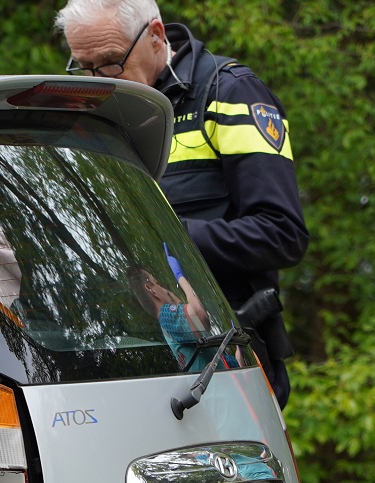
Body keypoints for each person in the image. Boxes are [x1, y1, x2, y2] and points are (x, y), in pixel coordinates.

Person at [55, 0, 307, 405]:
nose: (97, 80)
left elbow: (282, 234)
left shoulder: (229, 92)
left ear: (156, 35)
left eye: (110, 62)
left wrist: (170, 237)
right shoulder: (97, 111)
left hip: (227, 360)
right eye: (83, 67)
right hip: (131, 359)